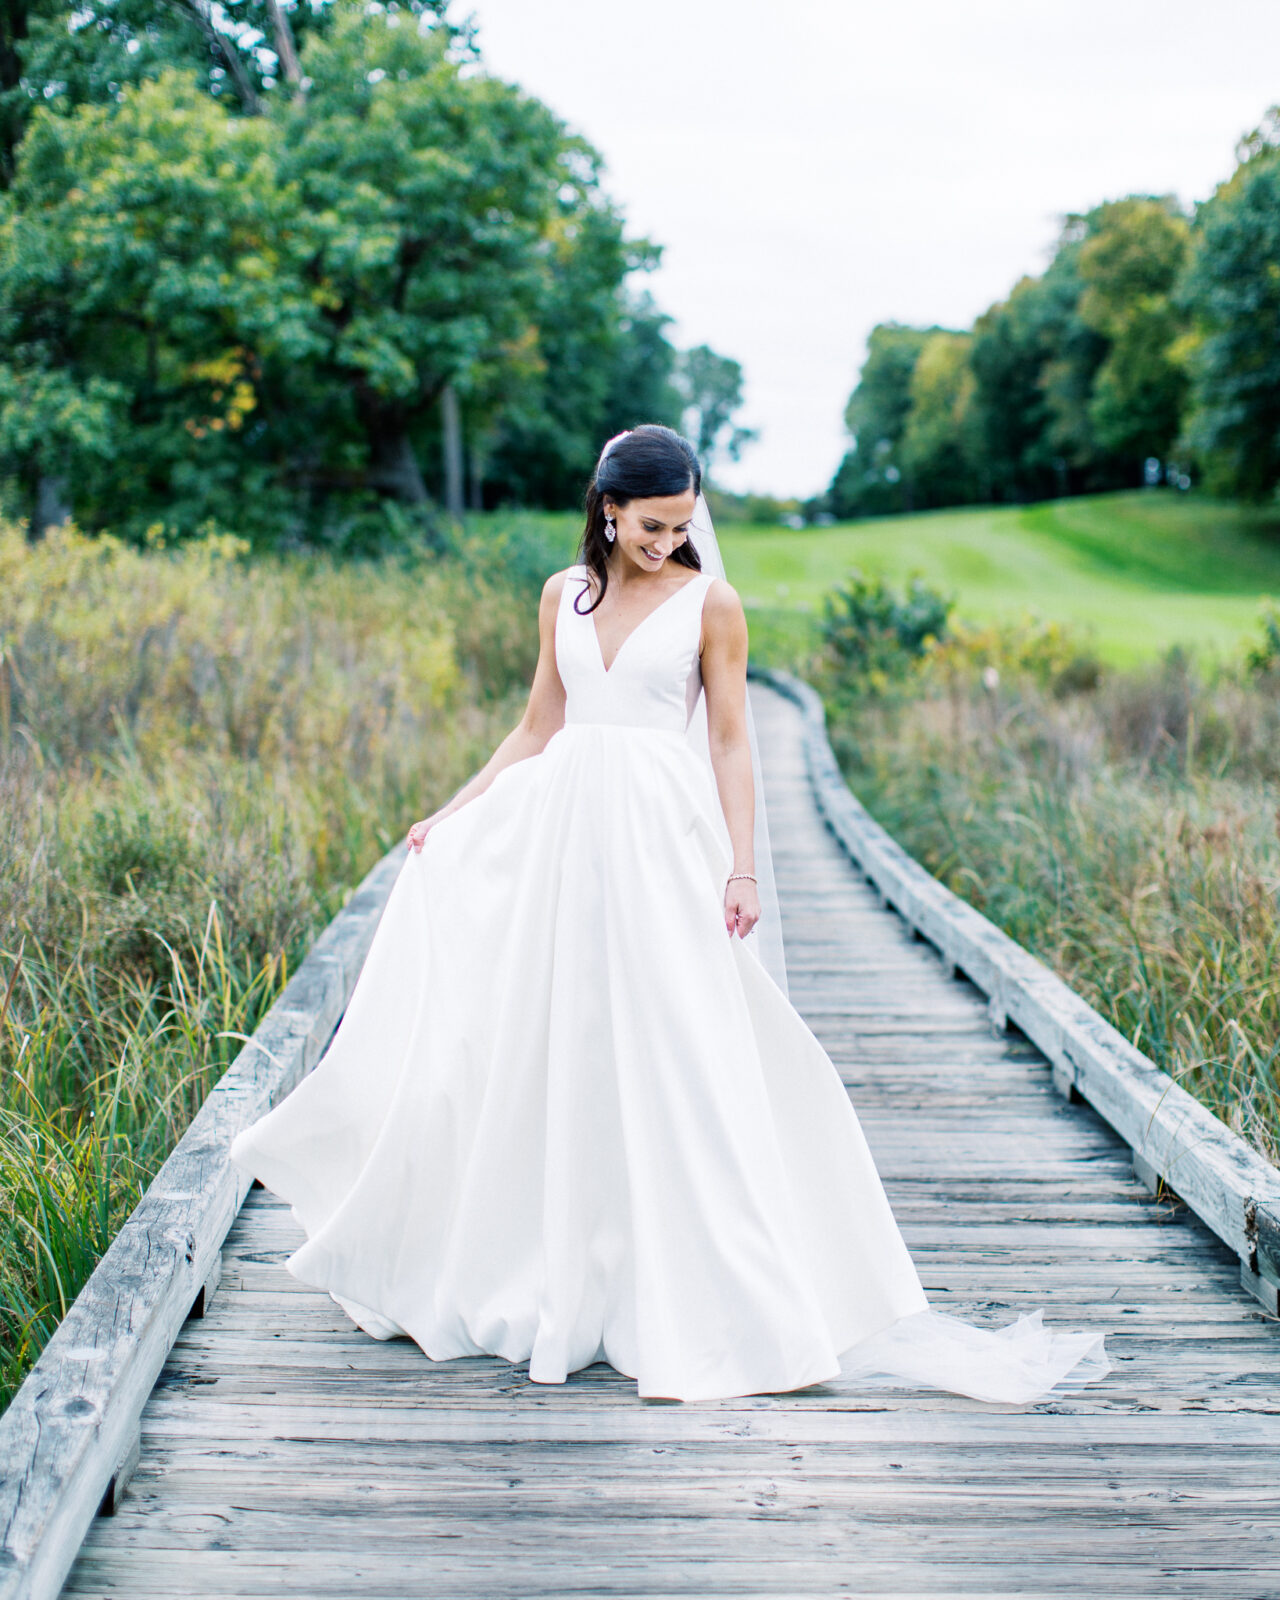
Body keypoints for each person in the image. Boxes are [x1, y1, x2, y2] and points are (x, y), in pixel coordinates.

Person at [229, 425, 1109, 1405]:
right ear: (606, 508)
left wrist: (741, 867)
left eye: (682, 524)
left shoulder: (711, 603)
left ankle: (701, 1280)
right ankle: (557, 1267)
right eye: (651, 525)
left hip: (658, 844)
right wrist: (453, 809)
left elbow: (731, 741)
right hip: (560, 839)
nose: (666, 542)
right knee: (551, 1038)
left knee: (675, 1043)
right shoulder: (560, 597)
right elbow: (536, 722)